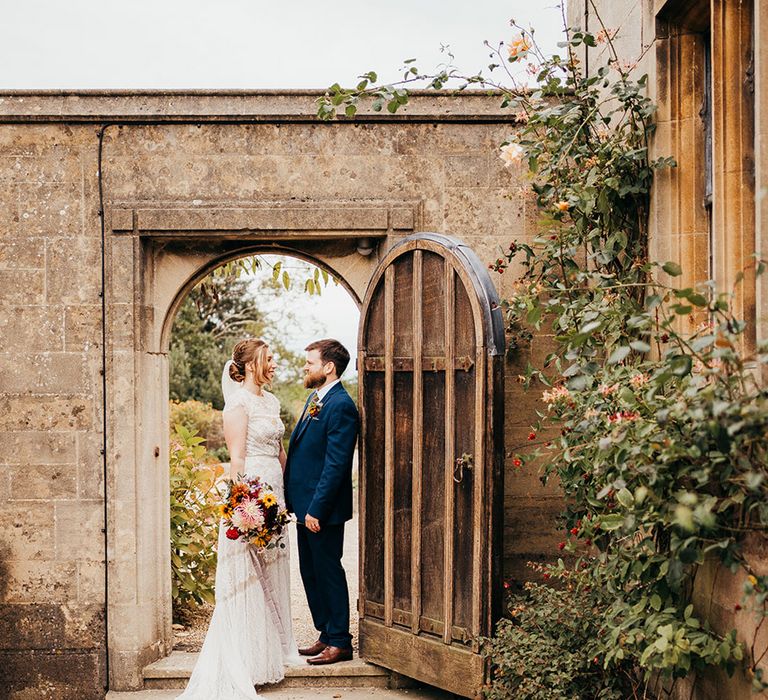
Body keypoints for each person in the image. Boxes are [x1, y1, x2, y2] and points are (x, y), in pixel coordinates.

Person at [176, 338, 301, 700]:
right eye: (268, 358)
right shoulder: (237, 403)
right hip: (251, 495)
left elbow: (279, 451)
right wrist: (242, 507)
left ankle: (269, 654)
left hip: (274, 494)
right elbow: (236, 460)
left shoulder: (272, 401)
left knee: (273, 571)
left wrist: (289, 495)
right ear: (249, 366)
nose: (274, 363)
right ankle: (244, 660)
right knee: (248, 576)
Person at [285, 339, 359, 665]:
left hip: (321, 510)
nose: (306, 367)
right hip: (304, 506)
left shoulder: (341, 405)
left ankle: (341, 641)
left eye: (310, 362)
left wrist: (317, 508)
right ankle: (326, 633)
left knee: (327, 570)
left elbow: (336, 464)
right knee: (310, 570)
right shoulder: (316, 398)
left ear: (329, 367)